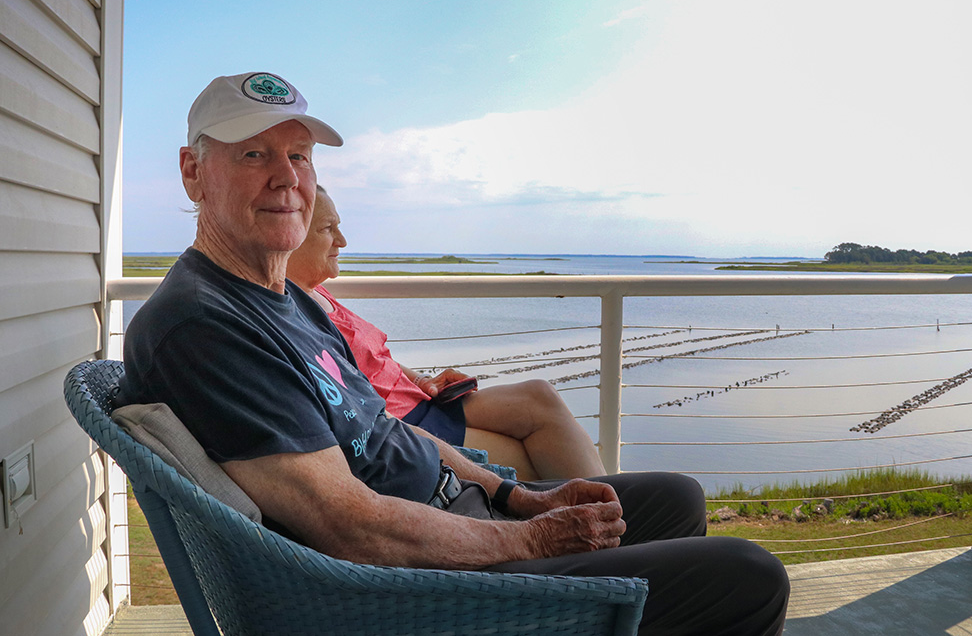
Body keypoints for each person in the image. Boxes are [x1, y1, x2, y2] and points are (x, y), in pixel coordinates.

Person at [116, 71, 789, 635]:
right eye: (253, 155)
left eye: (298, 155)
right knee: (748, 577)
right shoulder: (202, 326)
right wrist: (533, 539)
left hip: (460, 519)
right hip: (423, 591)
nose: (286, 178)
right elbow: (349, 527)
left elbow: (389, 431)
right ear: (192, 172)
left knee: (675, 496)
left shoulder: (283, 298)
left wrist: (516, 495)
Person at [285, 187, 605, 480]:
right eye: (328, 229)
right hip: (402, 422)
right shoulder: (291, 310)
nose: (342, 241)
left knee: (539, 394)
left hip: (419, 398)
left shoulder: (320, 293)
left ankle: (619, 506)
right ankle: (615, 518)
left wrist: (423, 380)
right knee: (533, 455)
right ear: (291, 236)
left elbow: (376, 361)